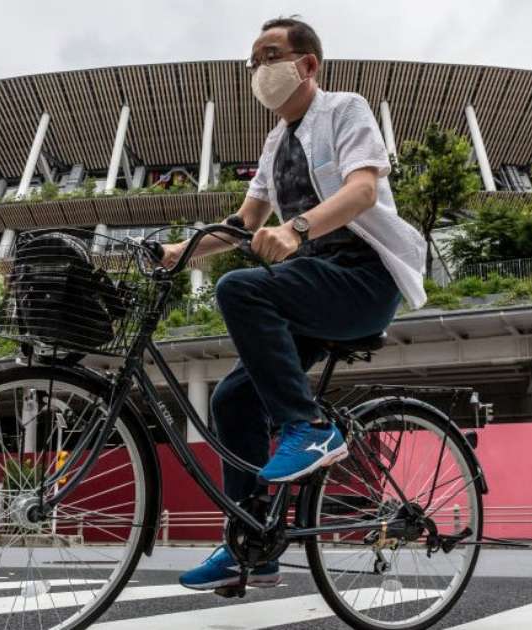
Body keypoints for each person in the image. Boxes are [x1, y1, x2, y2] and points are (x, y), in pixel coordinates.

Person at [164, 16, 429, 591]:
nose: (260, 69)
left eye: (271, 55)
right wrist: (176, 252)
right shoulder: (274, 141)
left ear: (307, 65)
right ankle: (250, 545)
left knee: (240, 288)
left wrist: (299, 228)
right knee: (233, 398)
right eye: (253, 61)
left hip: (363, 279)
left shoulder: (344, 109)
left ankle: (306, 428)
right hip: (314, 284)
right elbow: (242, 223)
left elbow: (362, 190)